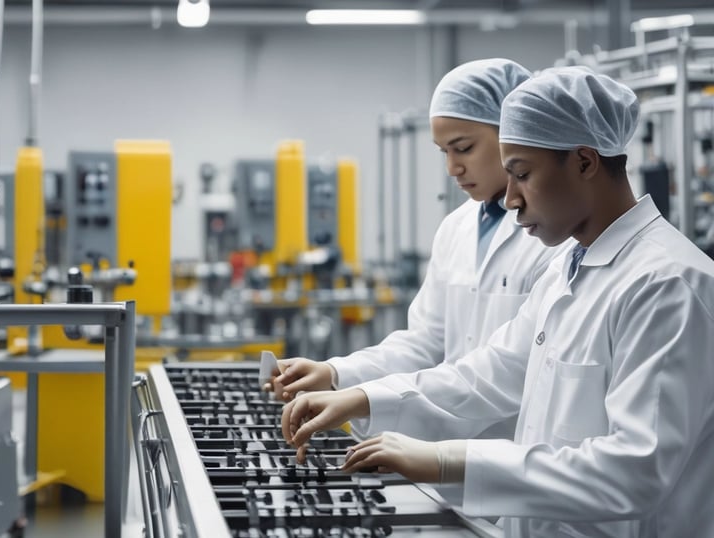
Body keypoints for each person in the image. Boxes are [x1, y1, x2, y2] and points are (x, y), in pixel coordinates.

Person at [281, 66, 714, 537]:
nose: (509, 200)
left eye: (522, 175)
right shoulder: (568, 267)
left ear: (586, 162)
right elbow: (488, 372)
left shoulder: (668, 284)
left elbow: (635, 471)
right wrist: (361, 395)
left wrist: (450, 460)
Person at [268, 58, 571, 441]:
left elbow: (509, 368)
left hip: (514, 453)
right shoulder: (456, 228)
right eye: (443, 151)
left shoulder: (554, 237)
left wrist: (366, 398)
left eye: (463, 148)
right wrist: (336, 374)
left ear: (513, 133)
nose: (452, 168)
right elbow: (426, 342)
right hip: (444, 452)